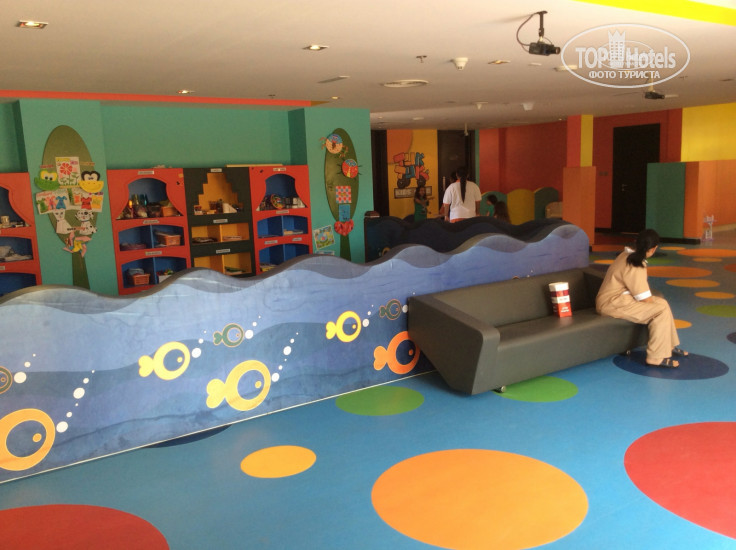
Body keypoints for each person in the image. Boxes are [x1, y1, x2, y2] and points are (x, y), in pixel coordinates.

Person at [596, 229, 688, 368]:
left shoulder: (626, 254)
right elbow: (644, 298)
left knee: (662, 303)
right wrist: (652, 306)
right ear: (653, 249)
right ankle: (655, 357)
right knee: (660, 310)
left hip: (618, 300)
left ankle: (667, 345)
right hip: (612, 304)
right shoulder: (635, 264)